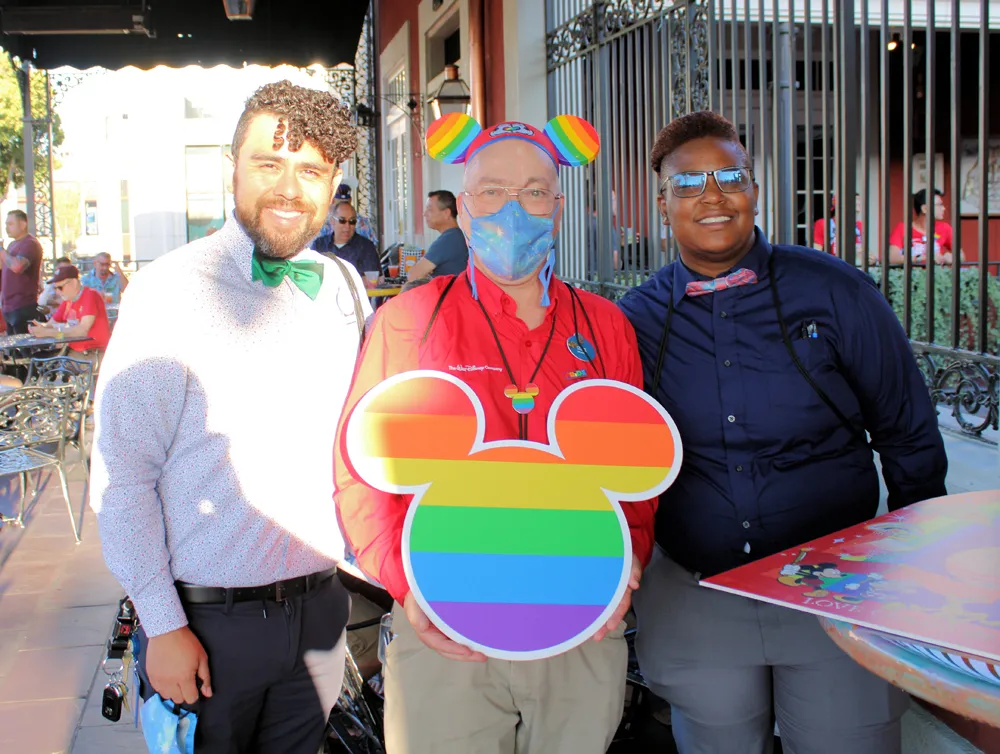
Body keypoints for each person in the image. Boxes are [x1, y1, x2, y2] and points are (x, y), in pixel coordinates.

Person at [617, 111, 948, 754]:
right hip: (698, 594)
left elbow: (907, 432)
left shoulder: (838, 292)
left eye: (730, 176)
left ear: (755, 191)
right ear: (662, 205)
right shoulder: (637, 319)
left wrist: (919, 577)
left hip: (836, 591)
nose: (713, 196)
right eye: (689, 183)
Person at [335, 114, 654, 754]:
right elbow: (360, 470)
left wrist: (629, 564)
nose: (513, 209)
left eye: (534, 192)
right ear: (463, 208)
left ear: (557, 208)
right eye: (491, 191)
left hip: (579, 621)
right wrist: (406, 587)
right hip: (445, 621)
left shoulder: (605, 326)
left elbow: (635, 471)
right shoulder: (408, 322)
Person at [91, 80, 369, 753]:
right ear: (232, 168)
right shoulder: (170, 290)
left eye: (311, 171)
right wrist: (163, 624)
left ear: (334, 184)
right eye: (268, 164)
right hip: (208, 624)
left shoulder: (343, 287)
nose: (289, 188)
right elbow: (123, 476)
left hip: (321, 612)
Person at [27, 265, 111, 354]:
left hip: (92, 353)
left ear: (74, 283)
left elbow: (82, 331)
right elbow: (51, 325)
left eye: (60, 287)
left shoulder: (90, 295)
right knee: (35, 356)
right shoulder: (68, 300)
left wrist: (47, 332)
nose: (57, 292)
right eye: (55, 288)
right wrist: (39, 327)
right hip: (75, 352)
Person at [888, 188, 962, 265]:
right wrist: (921, 258)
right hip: (912, 272)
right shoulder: (903, 228)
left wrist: (950, 257)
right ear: (924, 209)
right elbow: (892, 258)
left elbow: (961, 255)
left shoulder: (945, 228)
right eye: (939, 205)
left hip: (936, 272)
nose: (943, 208)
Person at [1, 209, 44, 334]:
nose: (7, 228)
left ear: (23, 224)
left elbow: (17, 267)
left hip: (22, 305)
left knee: (24, 344)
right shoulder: (11, 245)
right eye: (6, 224)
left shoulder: (30, 244)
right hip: (8, 306)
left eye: (11, 224)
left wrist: (1, 249)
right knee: (13, 345)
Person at [315, 200, 381, 280]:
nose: (347, 226)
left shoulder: (366, 247)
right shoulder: (319, 245)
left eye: (352, 221)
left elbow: (372, 279)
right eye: (342, 220)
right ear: (332, 221)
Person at [408, 190, 467, 278]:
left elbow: (412, 276)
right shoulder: (456, 236)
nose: (424, 214)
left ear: (446, 213)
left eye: (429, 209)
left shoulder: (448, 240)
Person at [812, 193, 862, 257]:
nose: (859, 203)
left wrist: (871, 259)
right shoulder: (824, 224)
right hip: (831, 262)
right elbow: (816, 253)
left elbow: (861, 252)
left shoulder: (859, 225)